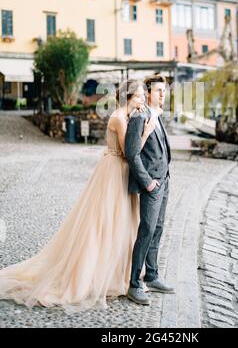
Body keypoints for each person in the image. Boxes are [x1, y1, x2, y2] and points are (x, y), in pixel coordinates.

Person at [0, 80, 155, 313]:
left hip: (118, 170)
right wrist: (146, 132)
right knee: (105, 223)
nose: (143, 99)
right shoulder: (119, 118)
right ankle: (95, 275)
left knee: (120, 223)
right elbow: (129, 152)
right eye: (140, 96)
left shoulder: (127, 116)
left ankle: (116, 272)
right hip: (115, 171)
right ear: (129, 97)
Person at [125, 74, 175, 305]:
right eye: (158, 90)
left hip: (164, 181)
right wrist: (147, 182)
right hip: (152, 184)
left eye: (164, 90)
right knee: (146, 230)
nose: (162, 94)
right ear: (147, 93)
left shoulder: (156, 115)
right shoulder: (139, 117)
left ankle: (152, 276)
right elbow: (132, 154)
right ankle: (134, 285)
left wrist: (163, 177)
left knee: (158, 229)